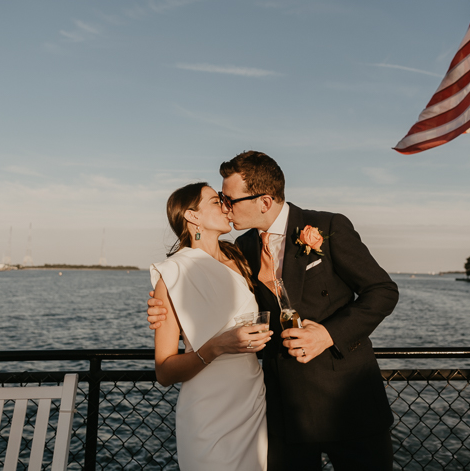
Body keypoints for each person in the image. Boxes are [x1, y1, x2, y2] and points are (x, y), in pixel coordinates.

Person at [149, 151, 400, 470]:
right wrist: (162, 307)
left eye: (230, 199)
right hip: (283, 412)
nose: (226, 206)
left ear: (264, 202)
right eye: (220, 200)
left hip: (349, 403)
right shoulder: (243, 250)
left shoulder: (328, 226)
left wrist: (326, 334)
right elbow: (205, 291)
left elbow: (382, 291)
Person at [151, 182, 272, 471]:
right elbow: (164, 371)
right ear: (192, 216)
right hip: (208, 411)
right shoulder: (173, 275)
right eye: (216, 201)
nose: (226, 206)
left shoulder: (240, 259)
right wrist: (218, 345)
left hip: (252, 402)